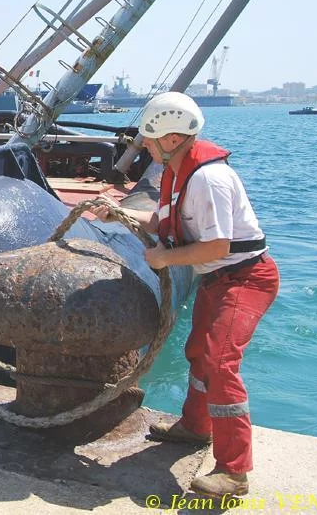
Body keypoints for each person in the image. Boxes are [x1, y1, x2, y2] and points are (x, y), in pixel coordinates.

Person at [91, 92, 277, 499]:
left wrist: (163, 259)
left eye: (150, 138)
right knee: (199, 353)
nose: (145, 145)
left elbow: (217, 247)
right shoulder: (180, 170)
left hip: (244, 277)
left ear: (172, 139)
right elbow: (164, 219)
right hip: (220, 278)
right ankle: (196, 426)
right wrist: (120, 212)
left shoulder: (209, 179)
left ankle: (234, 471)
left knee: (219, 362)